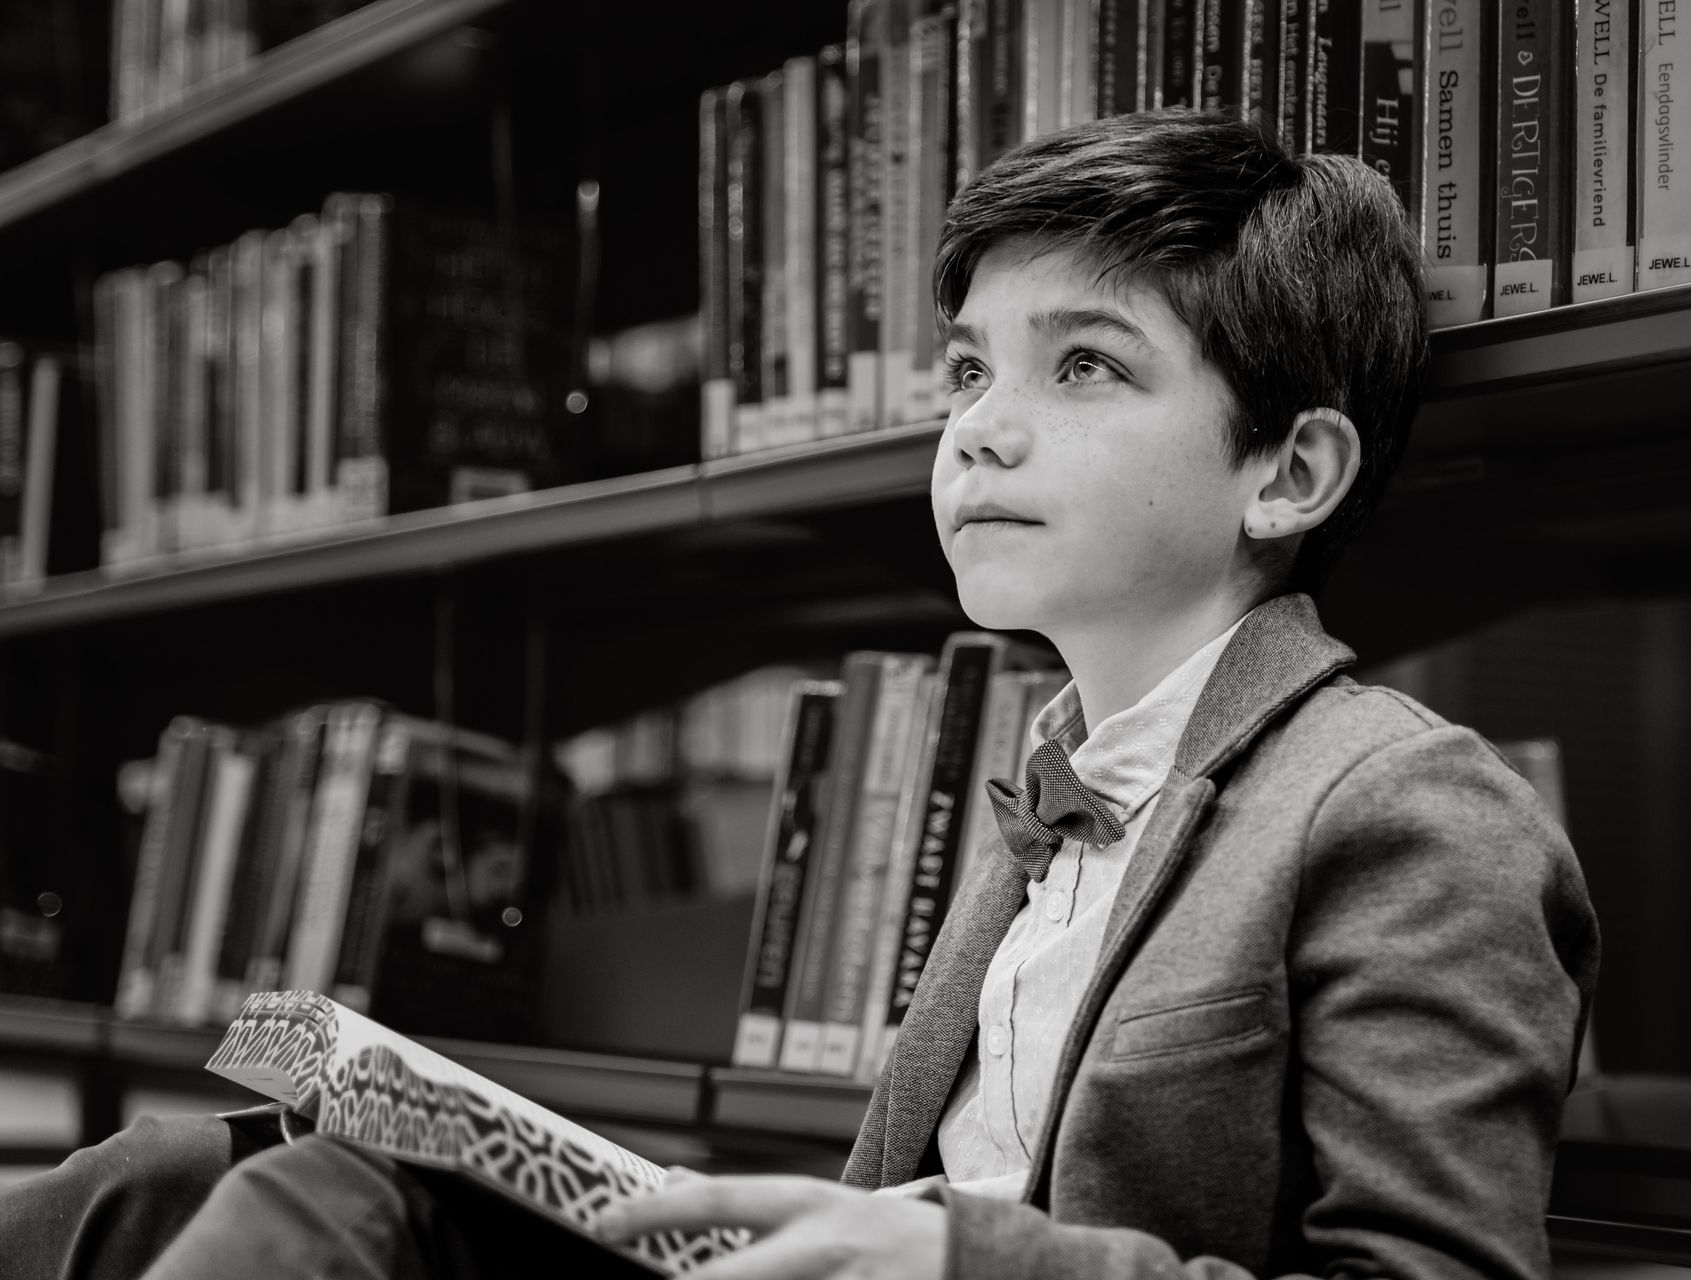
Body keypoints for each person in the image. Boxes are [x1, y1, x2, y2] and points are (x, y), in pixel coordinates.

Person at [0, 110, 1598, 1280]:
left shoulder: (1408, 809)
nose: (977, 428)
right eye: (969, 368)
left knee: (333, 1208)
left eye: (1086, 367)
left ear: (1289, 470)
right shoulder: (1050, 785)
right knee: (188, 1169)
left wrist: (953, 1264)